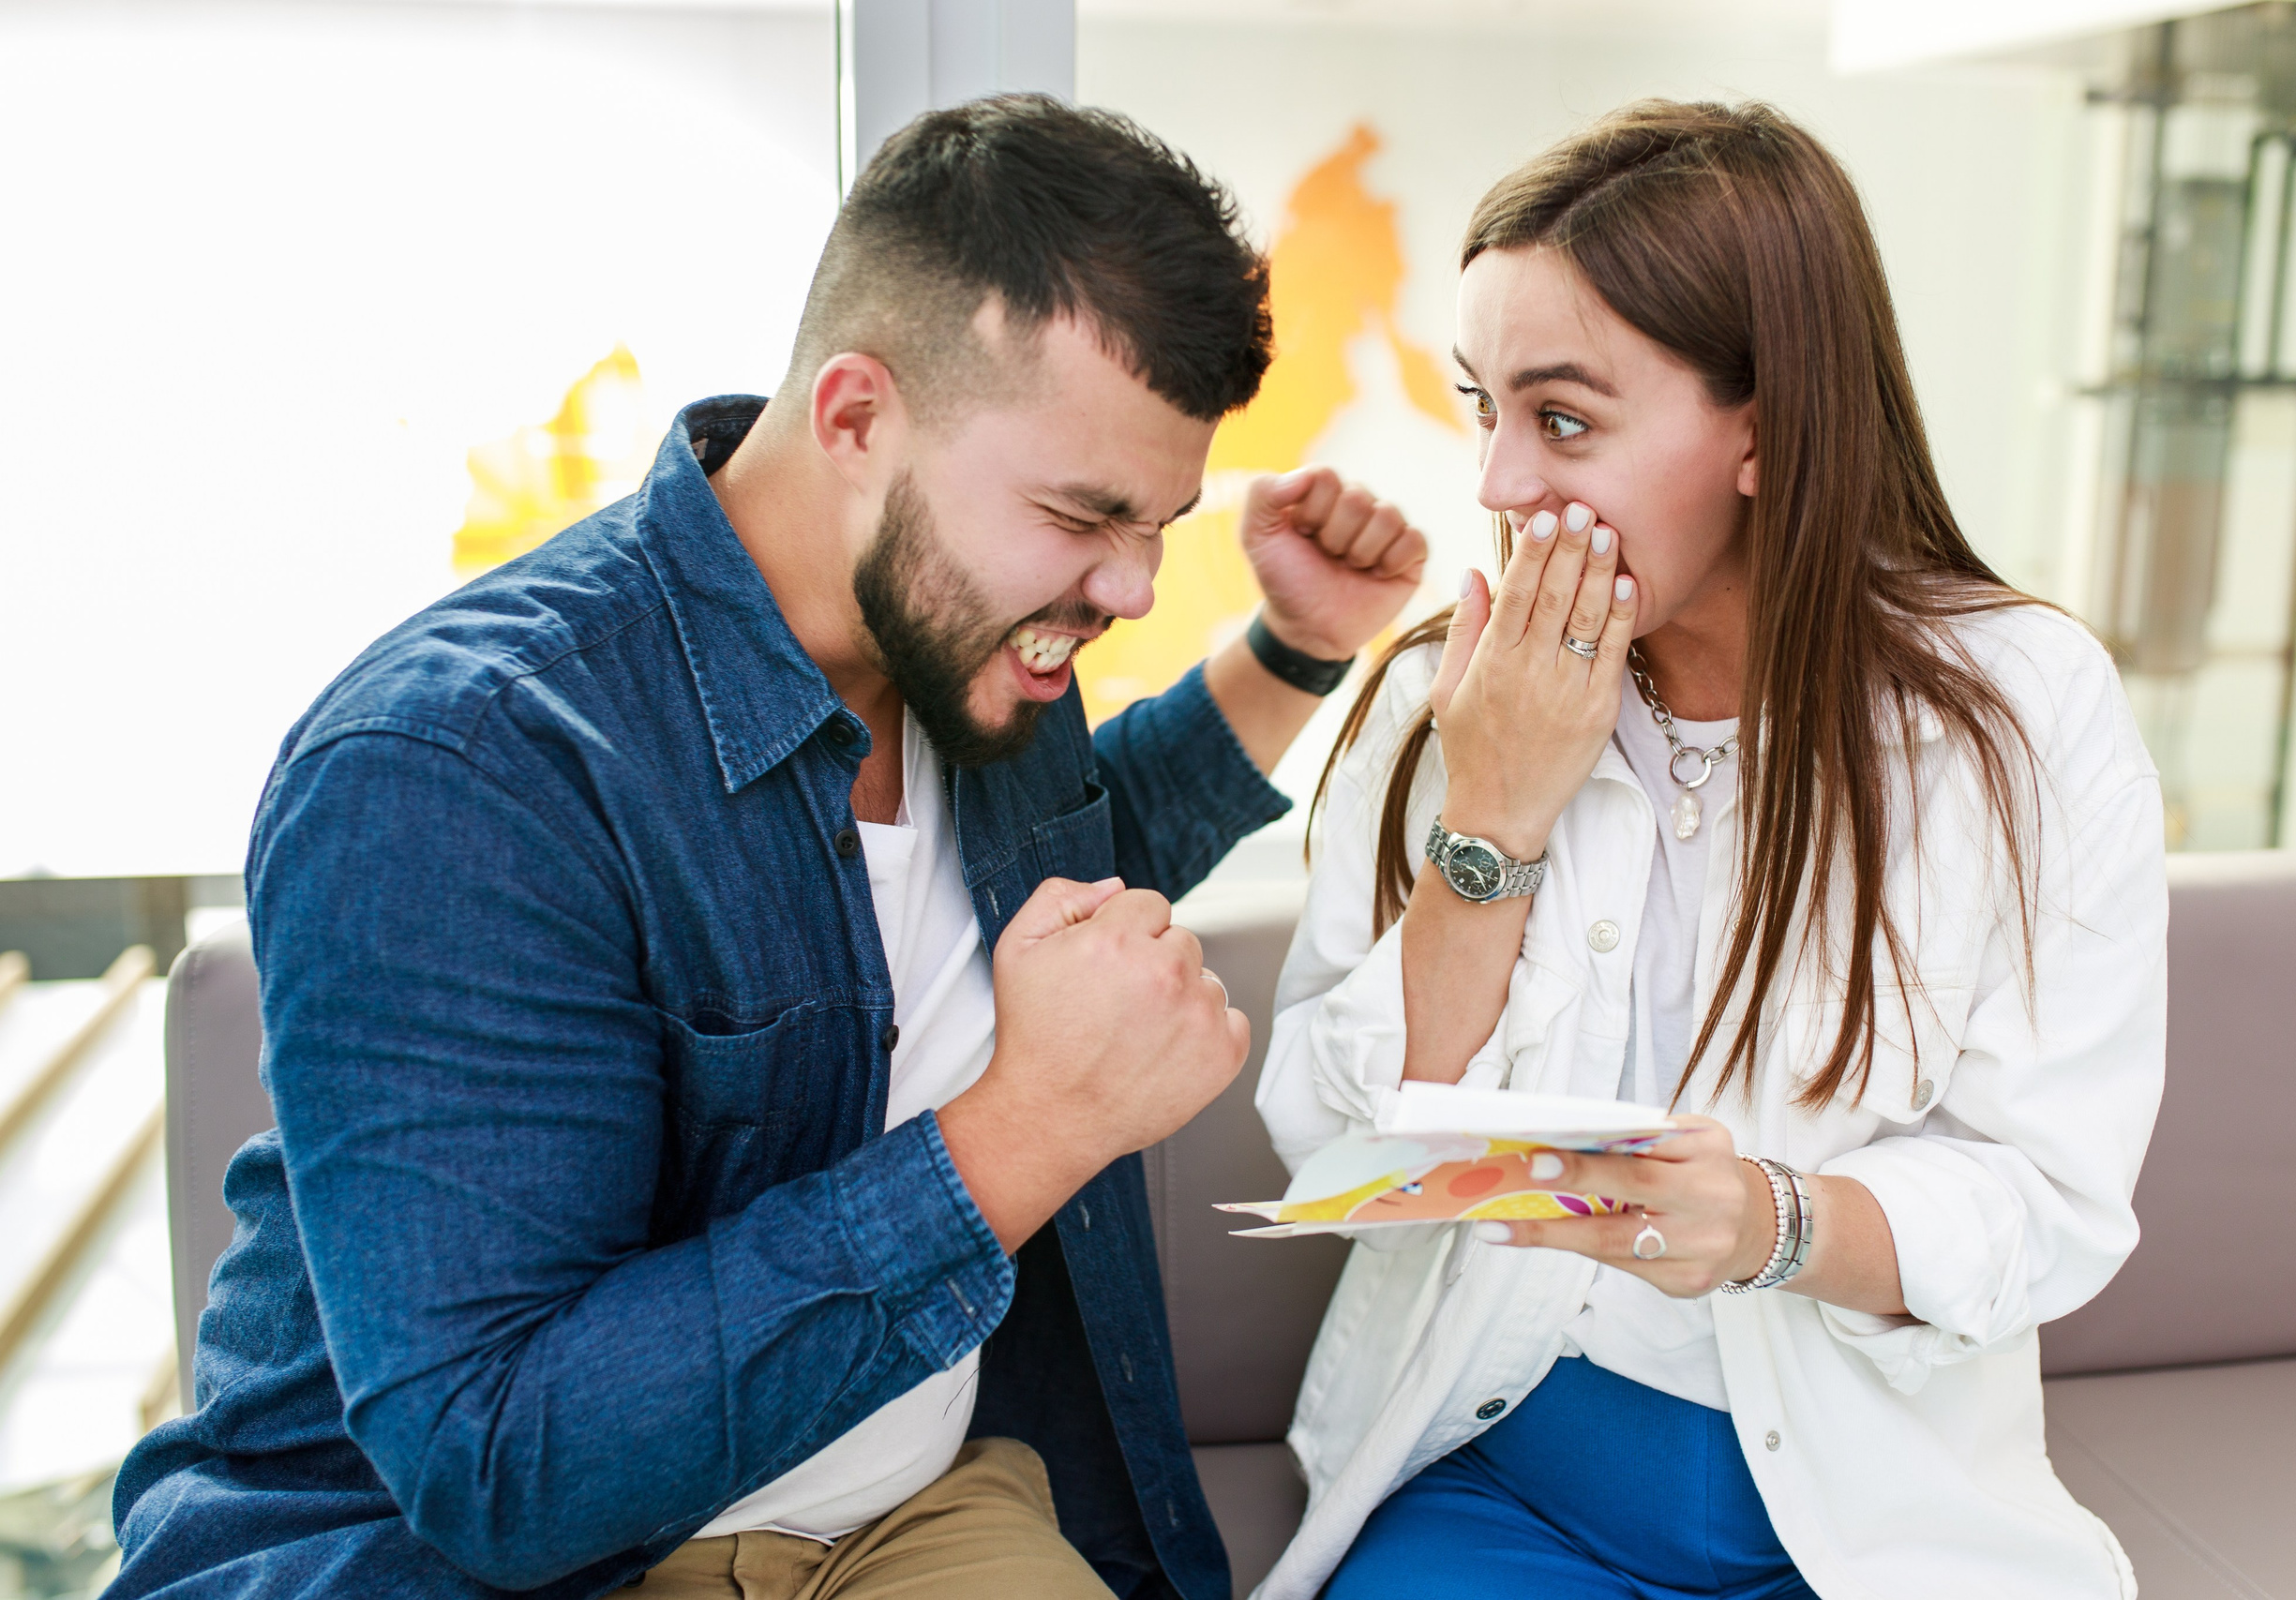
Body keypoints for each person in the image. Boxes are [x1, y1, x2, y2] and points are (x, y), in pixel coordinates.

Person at [108, 97, 1428, 1600]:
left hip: (909, 1518)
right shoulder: (463, 763)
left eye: (1164, 526)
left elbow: (1069, 862)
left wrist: (1296, 654)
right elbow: (500, 1464)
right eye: (1084, 513)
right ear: (857, 416)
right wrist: (1028, 1130)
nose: (1132, 588)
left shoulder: (976, 648)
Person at [1255, 100, 2165, 1600]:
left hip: (1879, 1524)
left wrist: (1776, 1224)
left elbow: (2053, 1201)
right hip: (1502, 1485)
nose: (1495, 485)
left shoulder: (2024, 714)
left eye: (1562, 419)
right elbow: (1328, 1145)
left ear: (1763, 427)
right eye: (1481, 404)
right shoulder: (1443, 698)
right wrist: (1494, 817)